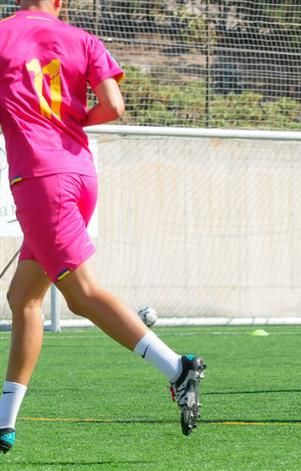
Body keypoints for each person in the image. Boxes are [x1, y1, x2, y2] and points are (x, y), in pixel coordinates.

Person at [0, 1, 205, 453]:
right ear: (60, 3)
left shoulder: (2, 34)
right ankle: (4, 423)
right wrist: (68, 121)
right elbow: (113, 106)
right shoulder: (84, 39)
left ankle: (179, 368)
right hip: (79, 172)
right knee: (23, 298)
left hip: (39, 177)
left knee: (82, 296)